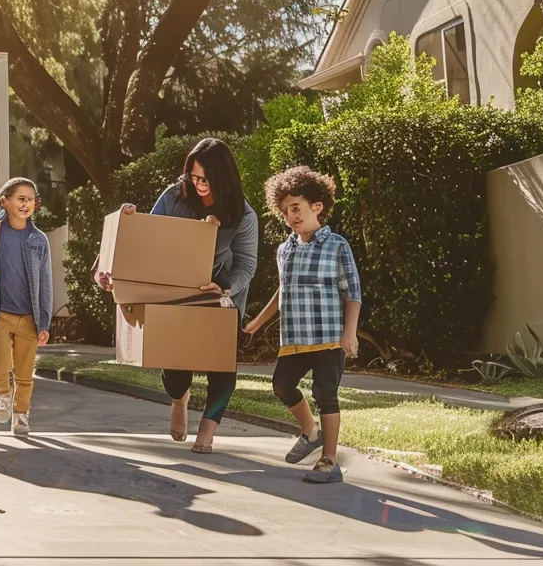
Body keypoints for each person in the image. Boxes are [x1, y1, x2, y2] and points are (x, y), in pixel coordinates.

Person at [94, 138, 258, 454]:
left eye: (205, 179)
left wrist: (226, 290)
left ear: (223, 178)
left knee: (222, 366)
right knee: (176, 364)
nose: (198, 185)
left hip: (217, 289)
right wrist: (131, 217)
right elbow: (148, 234)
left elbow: (247, 265)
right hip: (173, 285)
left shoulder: (243, 215)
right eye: (193, 177)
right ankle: (178, 398)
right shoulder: (174, 196)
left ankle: (207, 431)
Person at [244, 165, 362, 484]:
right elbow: (284, 288)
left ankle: (329, 461)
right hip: (294, 339)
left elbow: (352, 292)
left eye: (295, 208)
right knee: (281, 385)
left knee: (326, 394)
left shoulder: (337, 246)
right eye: (285, 211)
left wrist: (349, 332)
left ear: (317, 206)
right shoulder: (285, 250)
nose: (290, 216)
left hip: (327, 339)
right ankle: (311, 432)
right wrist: (259, 320)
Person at [0, 178, 52, 436]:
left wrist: (45, 321)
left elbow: (45, 282)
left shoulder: (38, 240)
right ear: (3, 202)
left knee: (25, 370)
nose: (26, 204)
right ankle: (3, 393)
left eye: (30, 199)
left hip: (29, 316)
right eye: (20, 198)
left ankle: (21, 414)